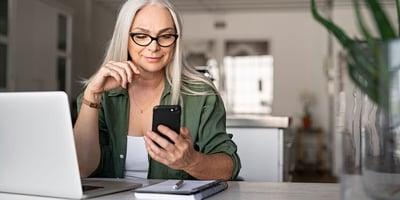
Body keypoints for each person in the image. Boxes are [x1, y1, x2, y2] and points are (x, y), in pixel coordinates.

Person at [73, 0, 241, 181]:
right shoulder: (97, 95)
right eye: (141, 36)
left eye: (166, 36)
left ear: (176, 41)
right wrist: (93, 95)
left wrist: (191, 161)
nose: (154, 47)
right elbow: (82, 168)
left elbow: (228, 168)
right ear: (124, 38)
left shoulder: (202, 95)